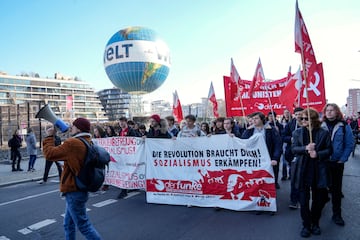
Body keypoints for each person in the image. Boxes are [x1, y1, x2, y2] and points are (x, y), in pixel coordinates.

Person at [42, 117, 102, 239]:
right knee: (68, 224)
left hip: (74, 191)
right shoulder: (88, 140)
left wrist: (49, 137)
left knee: (84, 226)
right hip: (79, 188)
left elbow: (49, 154)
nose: (70, 128)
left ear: (78, 128)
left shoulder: (73, 143)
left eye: (73, 126)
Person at [291, 108, 332, 237]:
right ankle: (306, 225)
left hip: (318, 170)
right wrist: (305, 148)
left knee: (318, 200)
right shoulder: (297, 133)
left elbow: (329, 150)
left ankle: (315, 223)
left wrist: (317, 154)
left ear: (313, 120)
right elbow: (293, 149)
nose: (302, 121)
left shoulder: (323, 133)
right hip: (302, 170)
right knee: (303, 201)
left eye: (305, 118)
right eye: (301, 118)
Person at [321, 103, 354, 226]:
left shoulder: (344, 126)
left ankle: (337, 215)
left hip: (336, 163)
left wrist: (343, 159)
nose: (329, 112)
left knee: (336, 191)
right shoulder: (320, 125)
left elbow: (349, 143)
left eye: (332, 110)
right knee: (320, 188)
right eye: (327, 110)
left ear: (337, 112)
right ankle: (320, 207)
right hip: (322, 162)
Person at [241, 112, 282, 190]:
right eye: (252, 119)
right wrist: (247, 131)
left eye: (256, 118)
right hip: (254, 159)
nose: (254, 121)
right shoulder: (250, 130)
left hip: (269, 158)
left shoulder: (271, 129)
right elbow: (243, 142)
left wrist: (275, 158)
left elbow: (278, 145)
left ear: (262, 119)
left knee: (269, 180)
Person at [282, 107, 304, 209]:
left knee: (303, 179)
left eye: (300, 114)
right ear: (294, 115)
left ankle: (303, 198)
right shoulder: (290, 125)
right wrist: (290, 139)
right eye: (297, 114)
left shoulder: (307, 123)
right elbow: (283, 136)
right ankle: (294, 200)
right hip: (293, 155)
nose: (299, 116)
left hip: (305, 156)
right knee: (294, 178)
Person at [117, 116, 139, 199]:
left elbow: (135, 141)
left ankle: (125, 190)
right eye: (120, 122)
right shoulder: (120, 132)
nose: (121, 123)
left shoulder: (131, 131)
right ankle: (124, 189)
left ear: (126, 122)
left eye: (122, 122)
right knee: (124, 172)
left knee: (129, 172)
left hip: (130, 155)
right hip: (123, 155)